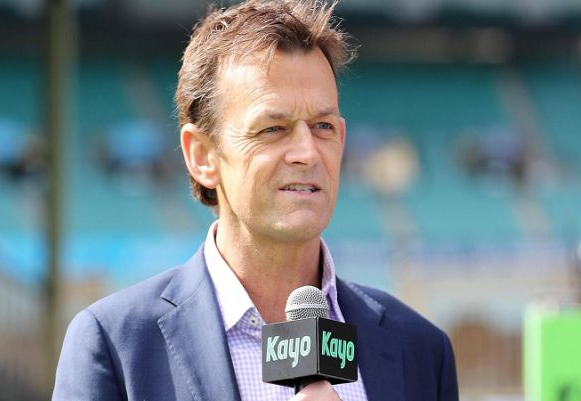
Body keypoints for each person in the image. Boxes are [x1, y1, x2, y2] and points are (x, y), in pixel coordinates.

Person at [52, 1, 459, 400]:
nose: (307, 153)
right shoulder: (116, 344)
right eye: (272, 129)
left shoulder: (421, 350)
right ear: (202, 156)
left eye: (322, 126)